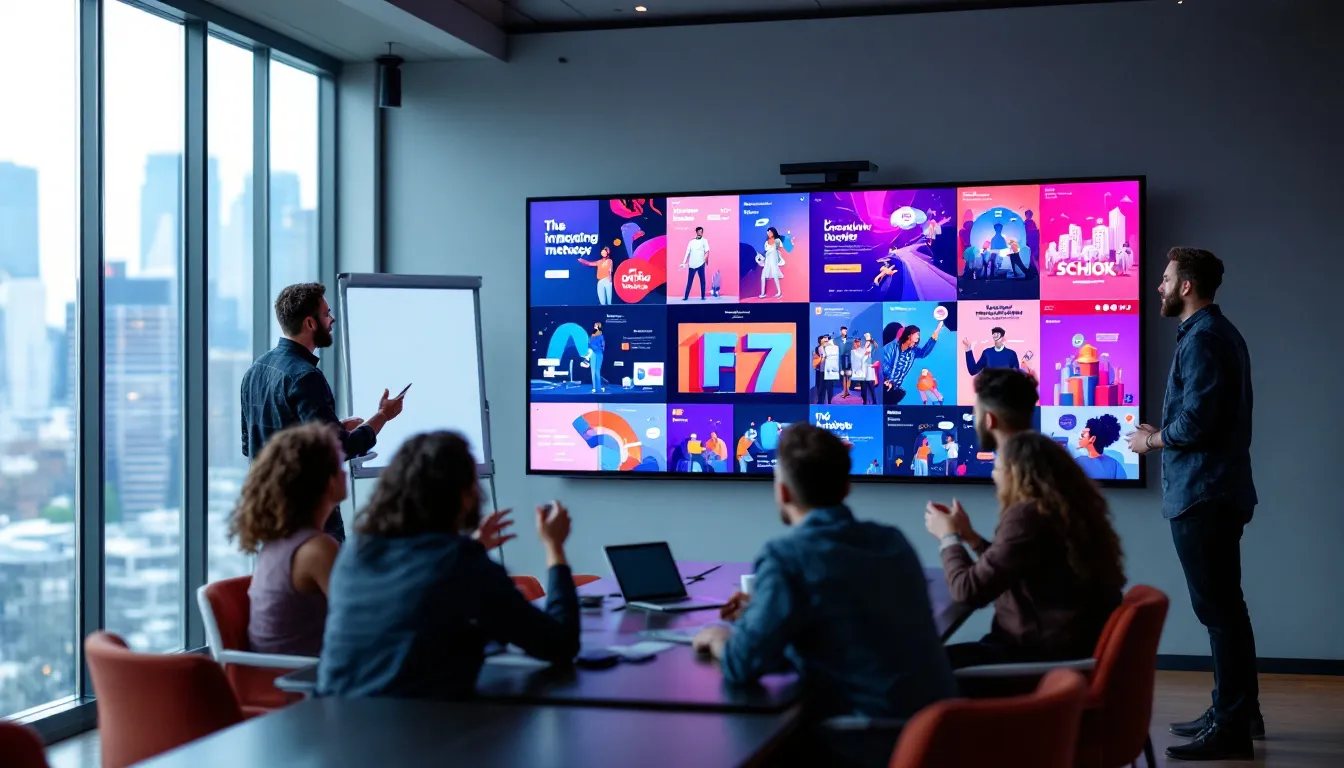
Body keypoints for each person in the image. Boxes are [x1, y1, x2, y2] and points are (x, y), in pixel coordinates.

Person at [692, 424, 955, 765]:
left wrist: (718, 637)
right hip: (939, 739)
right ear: (847, 486)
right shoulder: (892, 541)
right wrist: (768, 614)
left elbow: (743, 663)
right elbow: (845, 623)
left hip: (868, 744)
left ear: (783, 492)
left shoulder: (787, 556)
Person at [1125, 247, 1262, 760]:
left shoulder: (1204, 338)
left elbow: (1200, 422)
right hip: (1215, 491)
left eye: (1165, 279)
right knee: (1226, 609)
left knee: (1219, 612)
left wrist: (1152, 441)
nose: (1158, 287)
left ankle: (1232, 727)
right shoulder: (1213, 333)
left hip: (1204, 494)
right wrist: (1162, 433)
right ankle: (1238, 712)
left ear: (1187, 286)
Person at [318, 431, 579, 699]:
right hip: (420, 724)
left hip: (334, 718)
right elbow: (561, 644)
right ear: (465, 496)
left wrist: (471, 548)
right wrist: (554, 547)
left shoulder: (355, 552)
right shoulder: (461, 563)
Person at [926, 429, 1125, 669]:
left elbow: (968, 591)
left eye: (996, 469)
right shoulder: (1068, 512)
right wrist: (972, 538)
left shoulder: (1028, 516)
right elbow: (1013, 563)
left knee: (919, 667)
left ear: (1015, 475)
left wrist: (948, 537)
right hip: (1066, 649)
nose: (993, 476)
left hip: (1034, 659)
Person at [241, 282, 406, 543]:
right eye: (327, 313)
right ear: (310, 323)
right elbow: (341, 448)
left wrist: (331, 427)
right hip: (308, 518)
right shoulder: (306, 377)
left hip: (270, 518)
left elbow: (252, 443)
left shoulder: (255, 371)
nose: (331, 320)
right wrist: (383, 415)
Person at [229, 423, 346, 657]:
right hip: (303, 674)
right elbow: (360, 620)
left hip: (276, 672)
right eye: (341, 466)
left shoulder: (277, 542)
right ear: (328, 481)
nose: (345, 473)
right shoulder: (317, 549)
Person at [881, 320, 944, 402]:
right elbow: (883, 364)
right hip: (884, 386)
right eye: (916, 335)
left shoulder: (913, 351)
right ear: (908, 336)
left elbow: (924, 352)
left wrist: (937, 330)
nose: (917, 339)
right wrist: (887, 380)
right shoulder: (891, 347)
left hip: (894, 389)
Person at [964, 326, 1033, 376]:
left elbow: (1016, 376)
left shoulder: (1011, 354)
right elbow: (973, 370)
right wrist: (968, 349)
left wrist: (1024, 367)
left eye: (997, 334)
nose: (995, 336)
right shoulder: (987, 353)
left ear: (1002, 337)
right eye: (994, 334)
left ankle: (1024, 362)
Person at [1076, 414, 1126, 480]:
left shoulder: (1077, 462)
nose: (1079, 438)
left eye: (1082, 436)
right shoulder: (1115, 465)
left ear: (1092, 439)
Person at [757, 227, 790, 299]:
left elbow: (779, 247)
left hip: (774, 261)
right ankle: (762, 293)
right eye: (767, 232)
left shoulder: (777, 240)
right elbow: (766, 251)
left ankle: (779, 292)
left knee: (775, 275)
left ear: (773, 232)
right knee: (763, 276)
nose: (768, 233)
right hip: (767, 261)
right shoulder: (766, 242)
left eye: (770, 232)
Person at [680, 226, 710, 301]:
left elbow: (707, 251)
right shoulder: (691, 242)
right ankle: (686, 297)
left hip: (701, 264)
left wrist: (706, 260)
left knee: (702, 281)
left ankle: (703, 296)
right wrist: (683, 262)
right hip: (692, 264)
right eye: (699, 231)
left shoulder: (704, 241)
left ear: (702, 232)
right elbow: (687, 252)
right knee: (689, 281)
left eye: (701, 231)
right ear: (696, 232)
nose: (700, 233)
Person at [849, 338, 874, 404]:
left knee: (869, 388)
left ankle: (872, 402)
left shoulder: (863, 350)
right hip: (859, 372)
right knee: (862, 389)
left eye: (858, 342)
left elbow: (868, 359)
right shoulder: (853, 351)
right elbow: (854, 361)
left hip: (866, 371)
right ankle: (864, 402)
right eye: (856, 342)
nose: (857, 343)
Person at [585, 322, 606, 393]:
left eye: (596, 325)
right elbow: (589, 344)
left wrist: (592, 347)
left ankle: (598, 388)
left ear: (599, 327)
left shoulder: (601, 336)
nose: (594, 326)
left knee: (597, 371)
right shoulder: (592, 336)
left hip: (598, 354)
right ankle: (594, 387)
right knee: (593, 371)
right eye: (594, 325)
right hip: (593, 354)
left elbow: (601, 347)